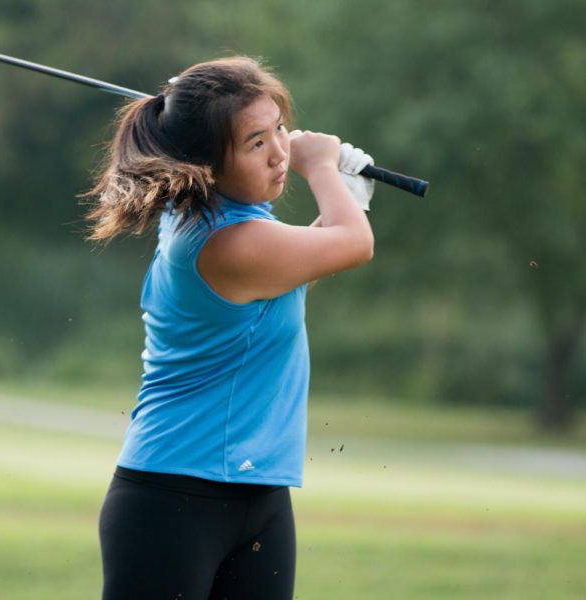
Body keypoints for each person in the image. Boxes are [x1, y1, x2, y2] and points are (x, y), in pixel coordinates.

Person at [85, 57, 375, 599]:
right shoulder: (220, 239)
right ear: (208, 163)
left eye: (280, 130)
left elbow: (285, 279)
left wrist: (345, 201)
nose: (281, 152)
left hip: (259, 495)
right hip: (174, 498)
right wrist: (325, 174)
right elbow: (354, 245)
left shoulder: (241, 220)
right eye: (256, 143)